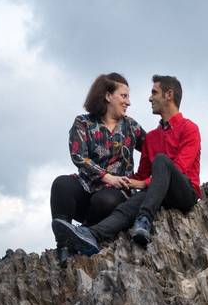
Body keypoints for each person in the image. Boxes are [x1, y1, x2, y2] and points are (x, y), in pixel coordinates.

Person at [55, 74, 201, 253]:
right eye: (124, 96)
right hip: (149, 192)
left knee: (161, 162)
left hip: (183, 192)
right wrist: (124, 181)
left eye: (154, 92)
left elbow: (176, 169)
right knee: (124, 208)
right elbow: (142, 174)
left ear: (168, 95)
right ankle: (88, 235)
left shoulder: (189, 129)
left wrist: (140, 183)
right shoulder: (152, 138)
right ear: (108, 96)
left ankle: (144, 220)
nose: (148, 98)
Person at [49, 72, 145, 262]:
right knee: (61, 184)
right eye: (124, 96)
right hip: (87, 187)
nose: (128, 102)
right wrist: (105, 176)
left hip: (115, 195)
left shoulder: (131, 126)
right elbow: (78, 155)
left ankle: (86, 233)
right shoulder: (83, 122)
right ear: (108, 96)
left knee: (105, 200)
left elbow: (153, 148)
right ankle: (64, 245)